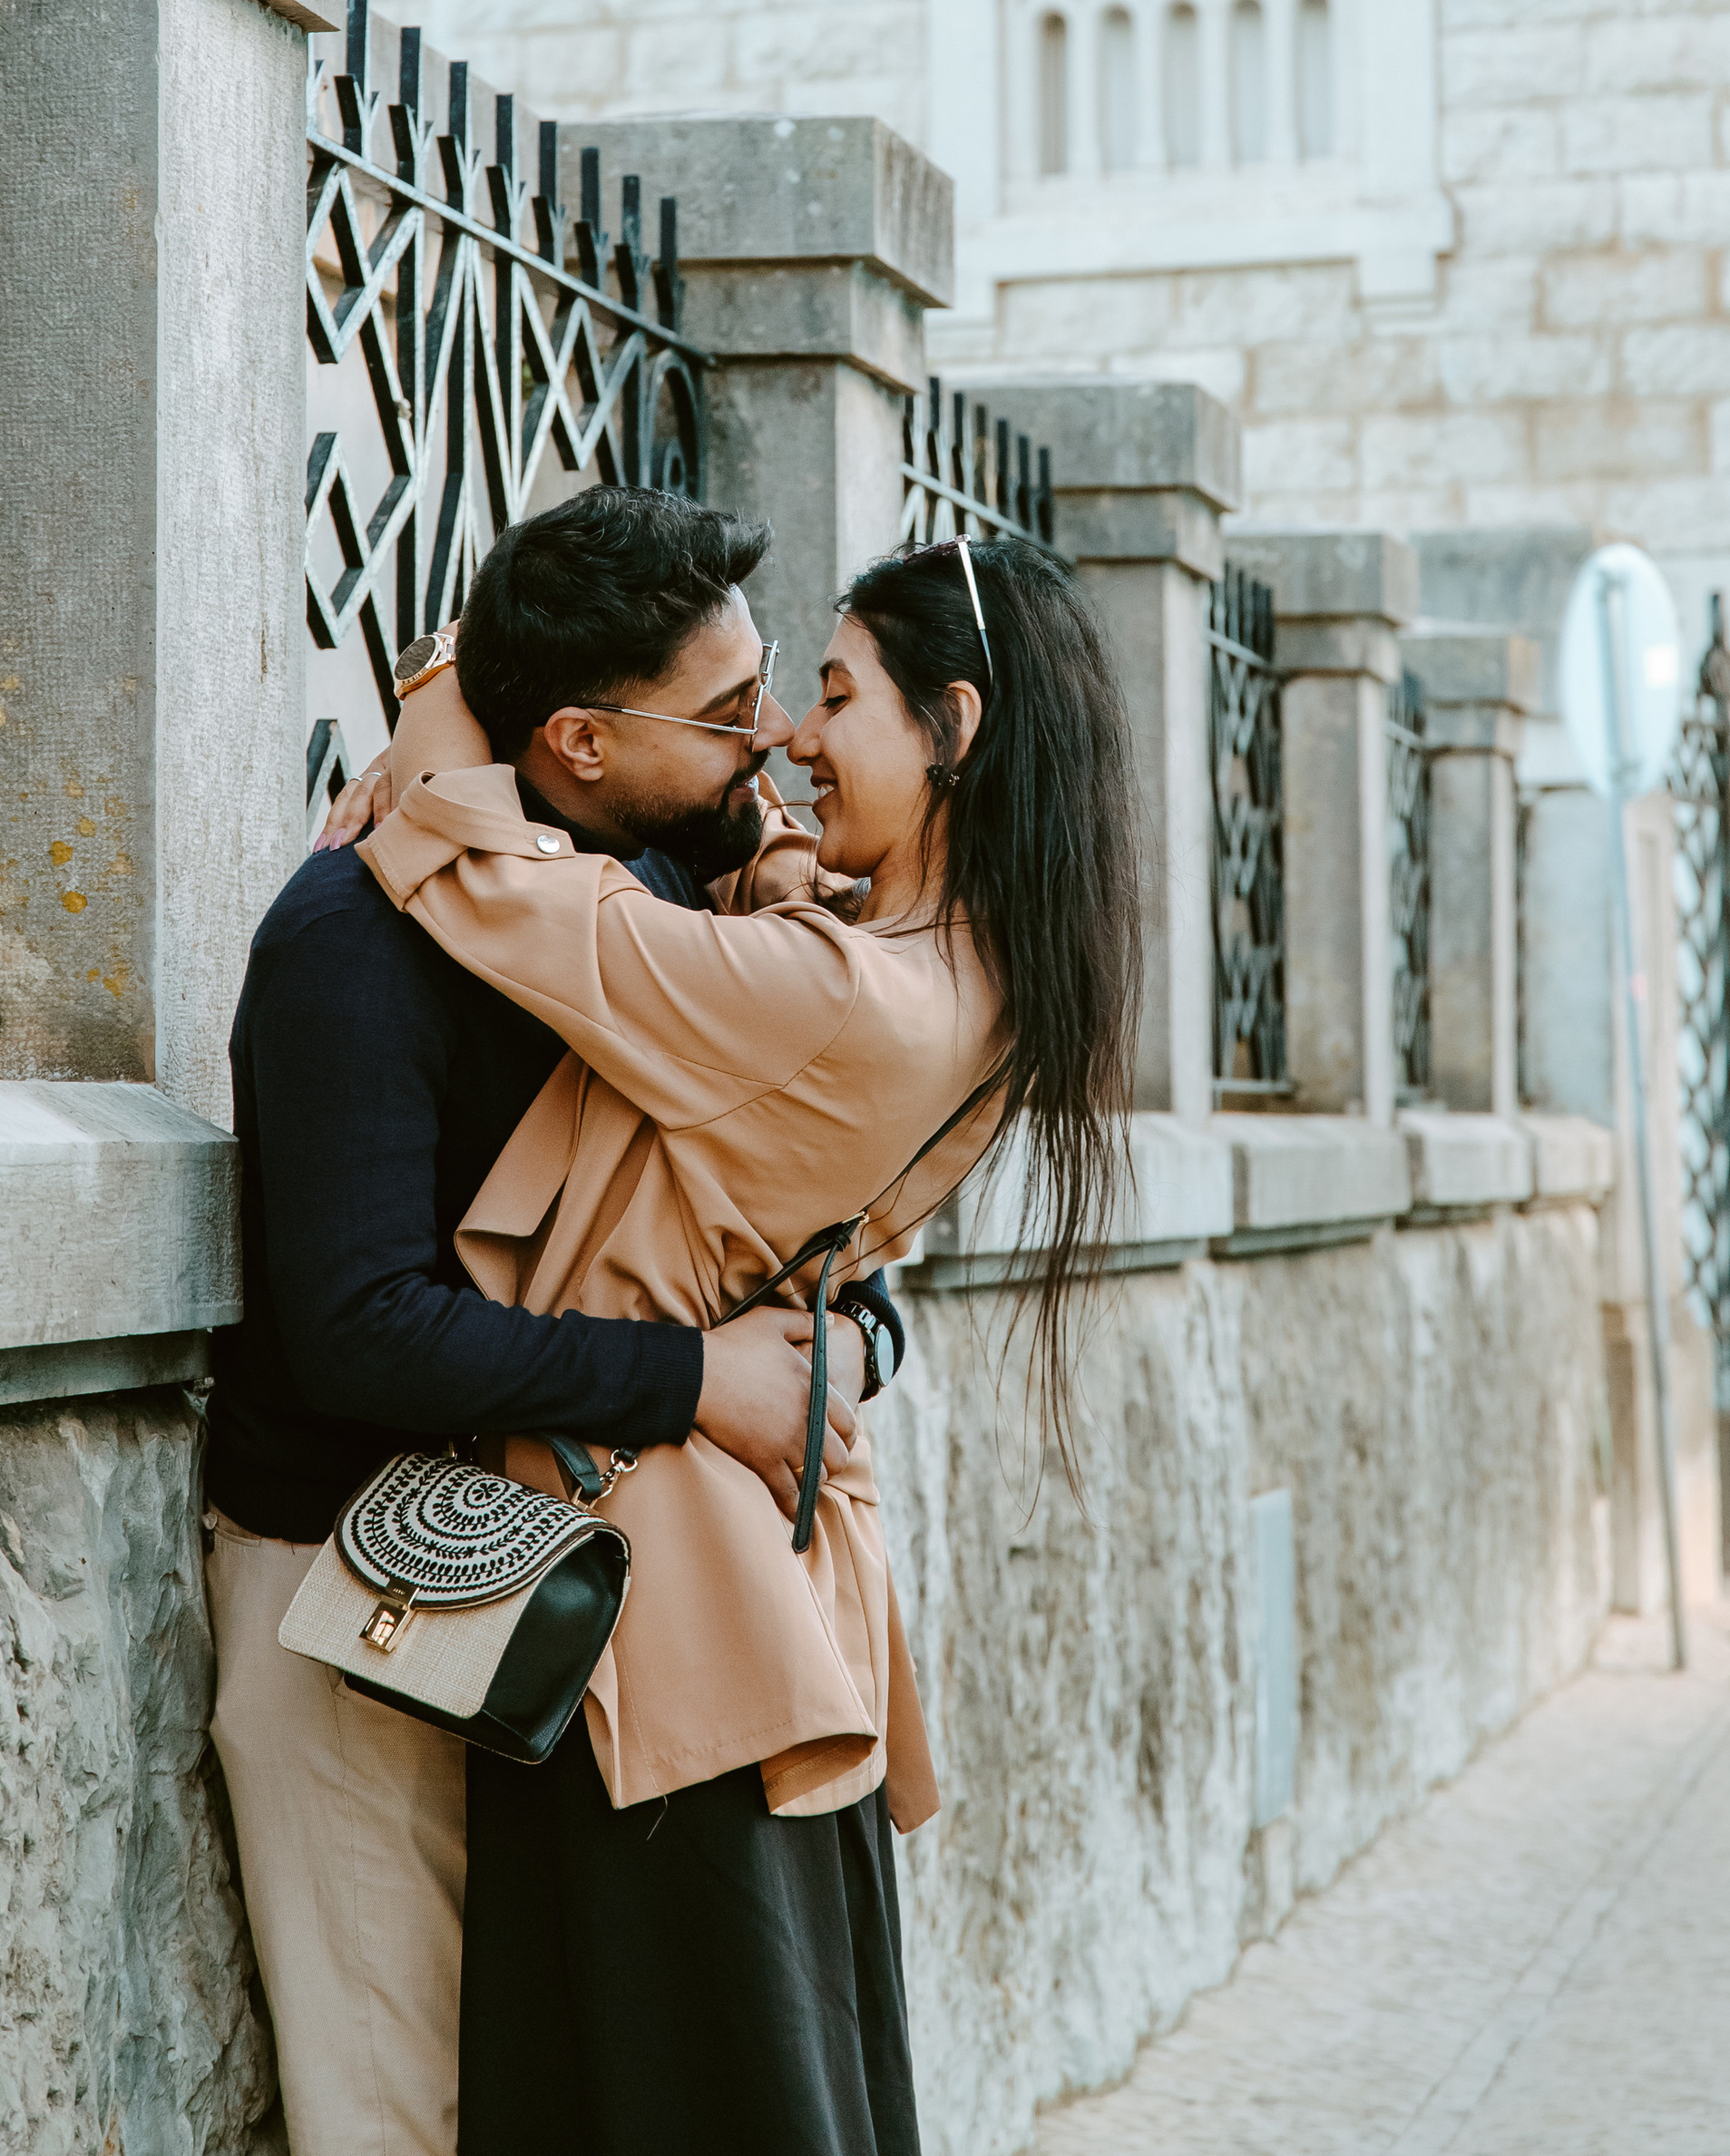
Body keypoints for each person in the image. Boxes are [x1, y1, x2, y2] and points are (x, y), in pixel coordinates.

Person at [360, 520, 1145, 2156]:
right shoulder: (983, 983)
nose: (790, 734)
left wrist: (448, 693)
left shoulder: (835, 993)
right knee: (774, 2071)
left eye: (838, 695)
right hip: (769, 1580)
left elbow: (494, 886)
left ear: (956, 727)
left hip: (652, 1595)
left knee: (650, 2077)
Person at [205, 490, 906, 2156]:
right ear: (581, 739)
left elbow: (814, 1240)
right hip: (367, 1597)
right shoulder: (352, 943)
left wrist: (834, 1356)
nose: (776, 748)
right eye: (732, 716)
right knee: (405, 2108)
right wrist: (696, 1382)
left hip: (592, 1596)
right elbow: (363, 1333)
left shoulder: (657, 908)